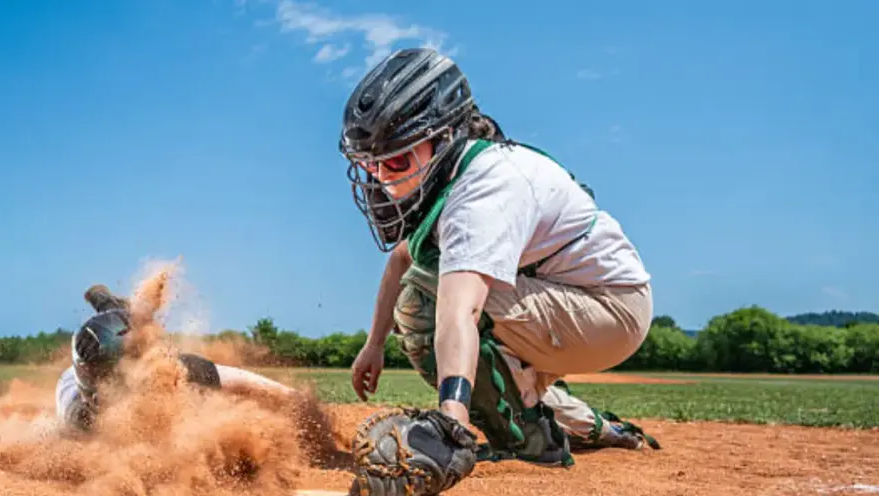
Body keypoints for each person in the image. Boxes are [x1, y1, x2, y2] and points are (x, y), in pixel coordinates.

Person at [340, 47, 660, 470]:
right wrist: (374, 344)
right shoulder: (450, 176)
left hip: (608, 307)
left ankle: (526, 441)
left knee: (425, 296)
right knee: (439, 292)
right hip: (562, 296)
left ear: (444, 138)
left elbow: (460, 310)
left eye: (396, 160)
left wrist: (450, 420)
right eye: (370, 165)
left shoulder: (483, 190)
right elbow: (401, 258)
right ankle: (591, 427)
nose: (381, 178)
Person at [55, 284, 295, 432]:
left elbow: (246, 382)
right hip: (81, 380)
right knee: (121, 316)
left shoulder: (171, 370)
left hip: (113, 336)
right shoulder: (80, 416)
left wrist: (294, 400)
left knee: (128, 317)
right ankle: (106, 301)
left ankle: (104, 300)